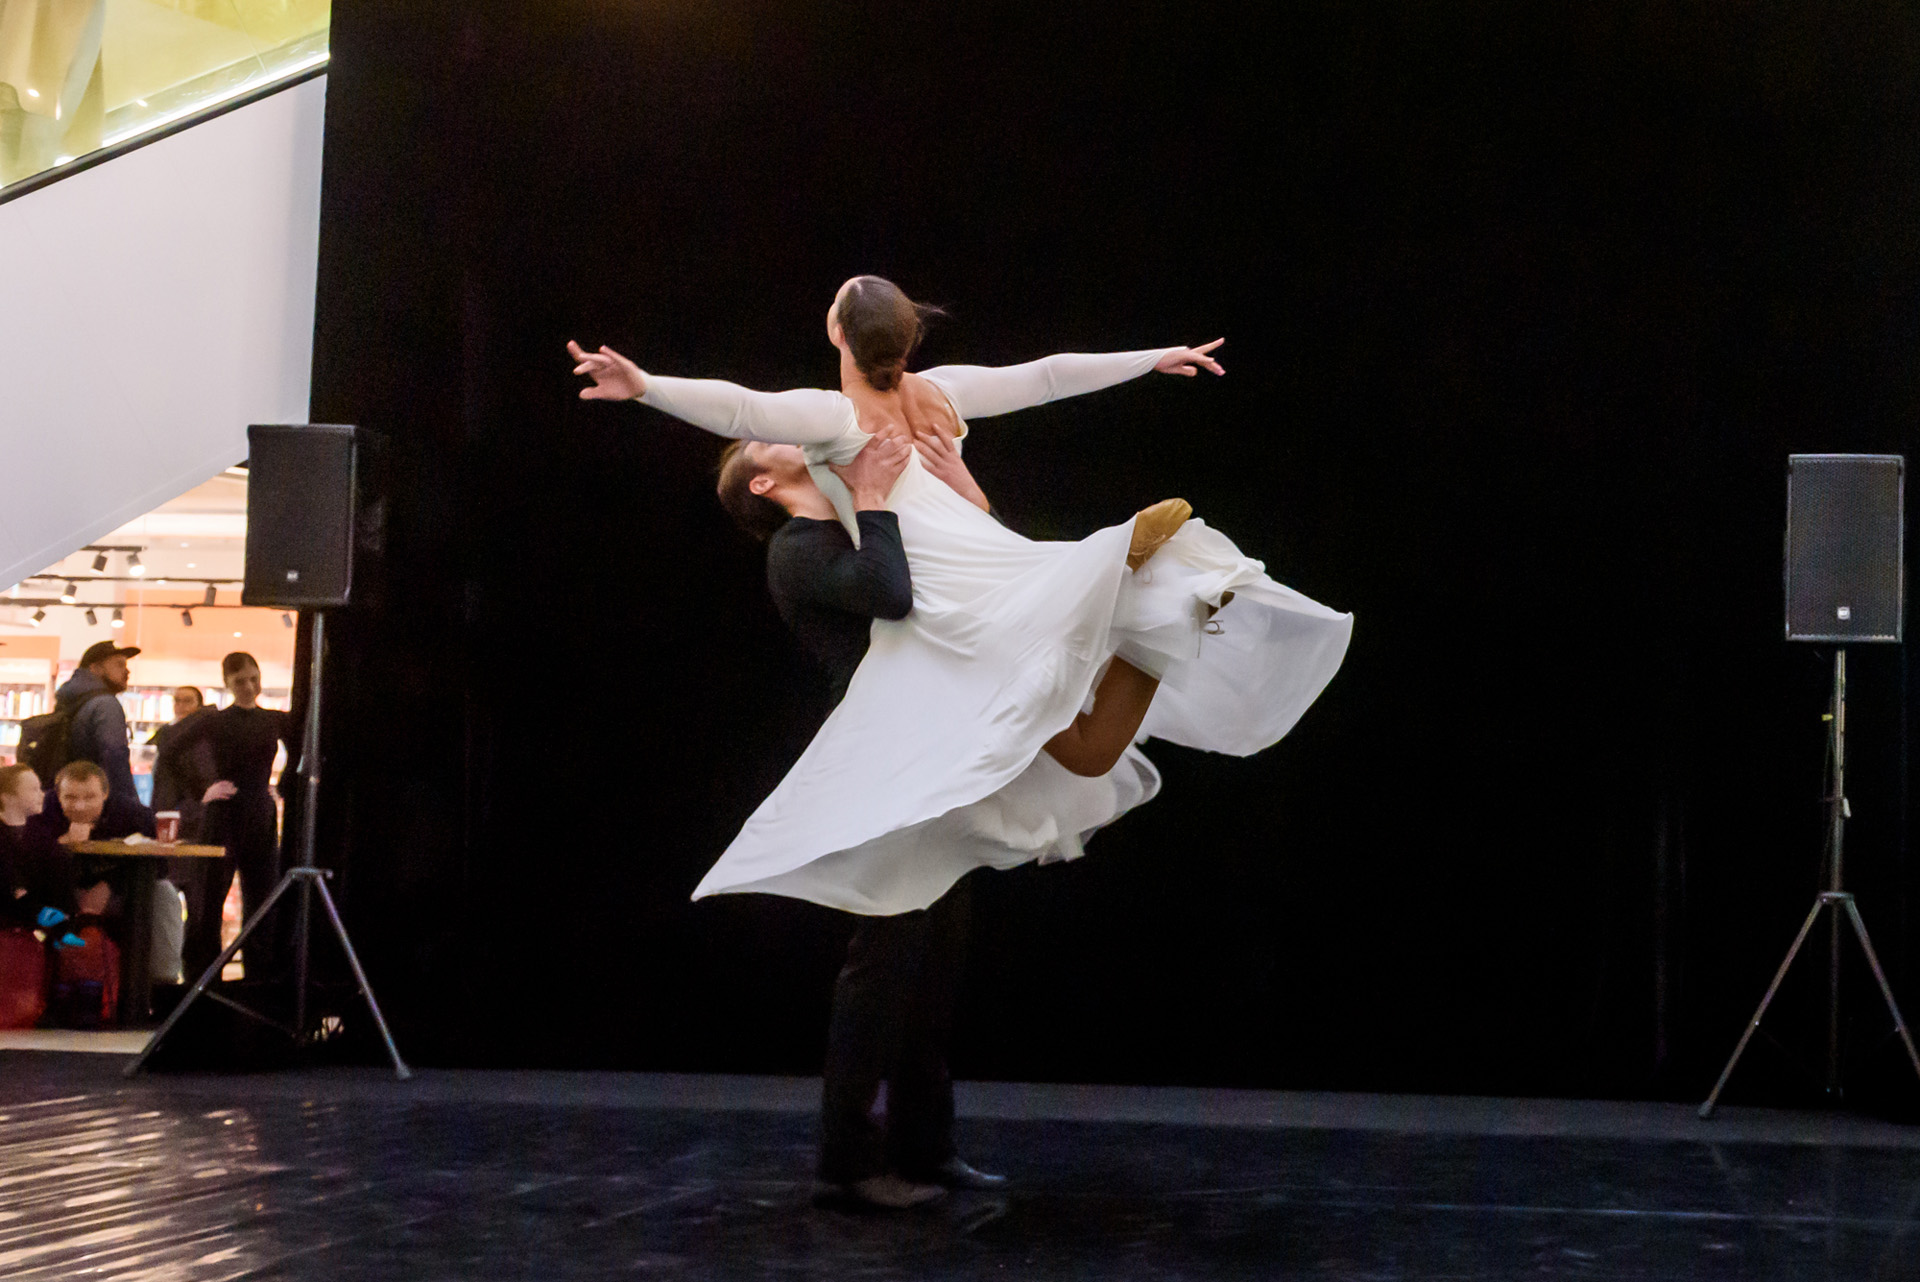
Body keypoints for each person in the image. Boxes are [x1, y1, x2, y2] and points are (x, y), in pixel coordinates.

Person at [567, 276, 1353, 919]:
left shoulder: (834, 419)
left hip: (954, 587)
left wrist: (645, 387)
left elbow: (739, 406)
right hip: (988, 559)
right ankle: (1167, 606)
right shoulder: (938, 392)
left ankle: (1126, 564)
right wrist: (1151, 358)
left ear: (838, 333)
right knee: (1086, 749)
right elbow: (1045, 377)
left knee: (1042, 665)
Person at [170, 652, 294, 979]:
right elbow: (169, 750)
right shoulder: (215, 720)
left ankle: (259, 978)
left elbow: (302, 750)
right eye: (241, 681)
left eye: (254, 679)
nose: (249, 686)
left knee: (262, 901)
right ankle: (202, 979)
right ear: (227, 683)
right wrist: (203, 789)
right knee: (209, 901)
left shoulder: (275, 720)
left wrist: (283, 784)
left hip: (259, 812)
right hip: (224, 814)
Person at [28, 758, 157, 922]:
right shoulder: (43, 812)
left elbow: (159, 867)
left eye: (89, 797)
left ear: (105, 794)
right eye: (70, 798)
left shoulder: (132, 815)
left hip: (122, 891)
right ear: (57, 796)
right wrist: (63, 843)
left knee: (164, 892)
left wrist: (110, 883)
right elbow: (28, 865)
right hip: (59, 892)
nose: (80, 806)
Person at [52, 639, 141, 804]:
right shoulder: (105, 704)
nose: (127, 671)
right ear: (95, 668)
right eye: (119, 665)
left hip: (70, 796)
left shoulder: (71, 698)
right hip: (96, 800)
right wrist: (128, 804)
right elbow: (115, 757)